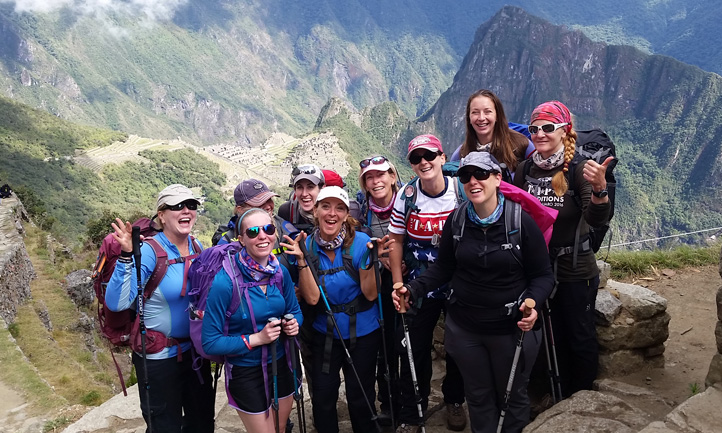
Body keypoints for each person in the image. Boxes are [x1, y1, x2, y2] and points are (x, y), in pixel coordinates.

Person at [394, 152, 554, 433]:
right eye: (466, 176)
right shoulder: (456, 221)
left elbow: (543, 275)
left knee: (512, 396)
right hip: (466, 329)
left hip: (510, 328)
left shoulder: (520, 221)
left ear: (497, 178)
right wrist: (413, 288)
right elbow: (443, 268)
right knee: (478, 396)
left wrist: (533, 301)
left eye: (481, 174)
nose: (472, 181)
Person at [513, 101, 611, 398]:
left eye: (547, 128)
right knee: (543, 334)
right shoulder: (524, 170)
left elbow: (596, 219)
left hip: (574, 269)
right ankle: (546, 393)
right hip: (537, 269)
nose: (540, 134)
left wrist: (599, 190)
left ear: (565, 131)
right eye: (534, 129)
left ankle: (579, 399)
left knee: (578, 335)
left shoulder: (580, 169)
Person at [281, 186, 392, 433]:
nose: (332, 214)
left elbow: (371, 294)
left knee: (360, 394)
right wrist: (301, 261)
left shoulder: (362, 243)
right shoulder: (307, 248)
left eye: (339, 208)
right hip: (324, 333)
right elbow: (311, 298)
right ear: (316, 211)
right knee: (322, 396)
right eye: (326, 207)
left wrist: (370, 263)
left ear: (346, 214)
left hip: (363, 333)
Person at [106, 184, 215, 433]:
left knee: (202, 422)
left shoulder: (197, 247)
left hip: (195, 354)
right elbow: (117, 302)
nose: (186, 210)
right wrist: (126, 256)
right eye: (177, 206)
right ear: (162, 215)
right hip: (159, 359)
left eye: (191, 205)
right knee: (165, 426)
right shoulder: (149, 251)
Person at [388, 135, 467, 433]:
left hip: (459, 282)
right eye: (416, 158)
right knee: (411, 346)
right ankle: (412, 411)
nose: (424, 162)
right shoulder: (407, 196)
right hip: (419, 283)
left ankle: (455, 399)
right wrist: (398, 284)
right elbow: (395, 240)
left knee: (458, 345)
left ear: (442, 157)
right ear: (411, 164)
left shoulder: (459, 192)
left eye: (429, 155)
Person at [202, 208, 302, 433]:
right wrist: (256, 339)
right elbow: (210, 341)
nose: (262, 236)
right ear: (242, 239)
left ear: (275, 233)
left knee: (280, 427)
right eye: (253, 232)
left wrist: (294, 323)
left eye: (267, 229)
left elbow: (295, 310)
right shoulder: (225, 282)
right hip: (246, 371)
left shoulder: (279, 273)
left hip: (282, 362)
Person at [357, 155, 402, 424]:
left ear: (392, 177)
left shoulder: (409, 201)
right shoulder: (364, 210)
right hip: (380, 284)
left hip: (410, 278)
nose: (376, 182)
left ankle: (408, 401)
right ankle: (388, 403)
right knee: (384, 346)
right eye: (369, 178)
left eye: (380, 175)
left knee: (406, 343)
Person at [451, 89, 535, 181]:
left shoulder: (521, 144)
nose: (481, 118)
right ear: (469, 118)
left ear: (497, 116)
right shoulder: (461, 154)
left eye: (488, 111)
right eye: (475, 112)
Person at [278, 164, 325, 234]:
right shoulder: (286, 211)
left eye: (310, 187)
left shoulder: (334, 212)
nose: (304, 194)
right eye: (300, 187)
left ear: (321, 189)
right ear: (295, 189)